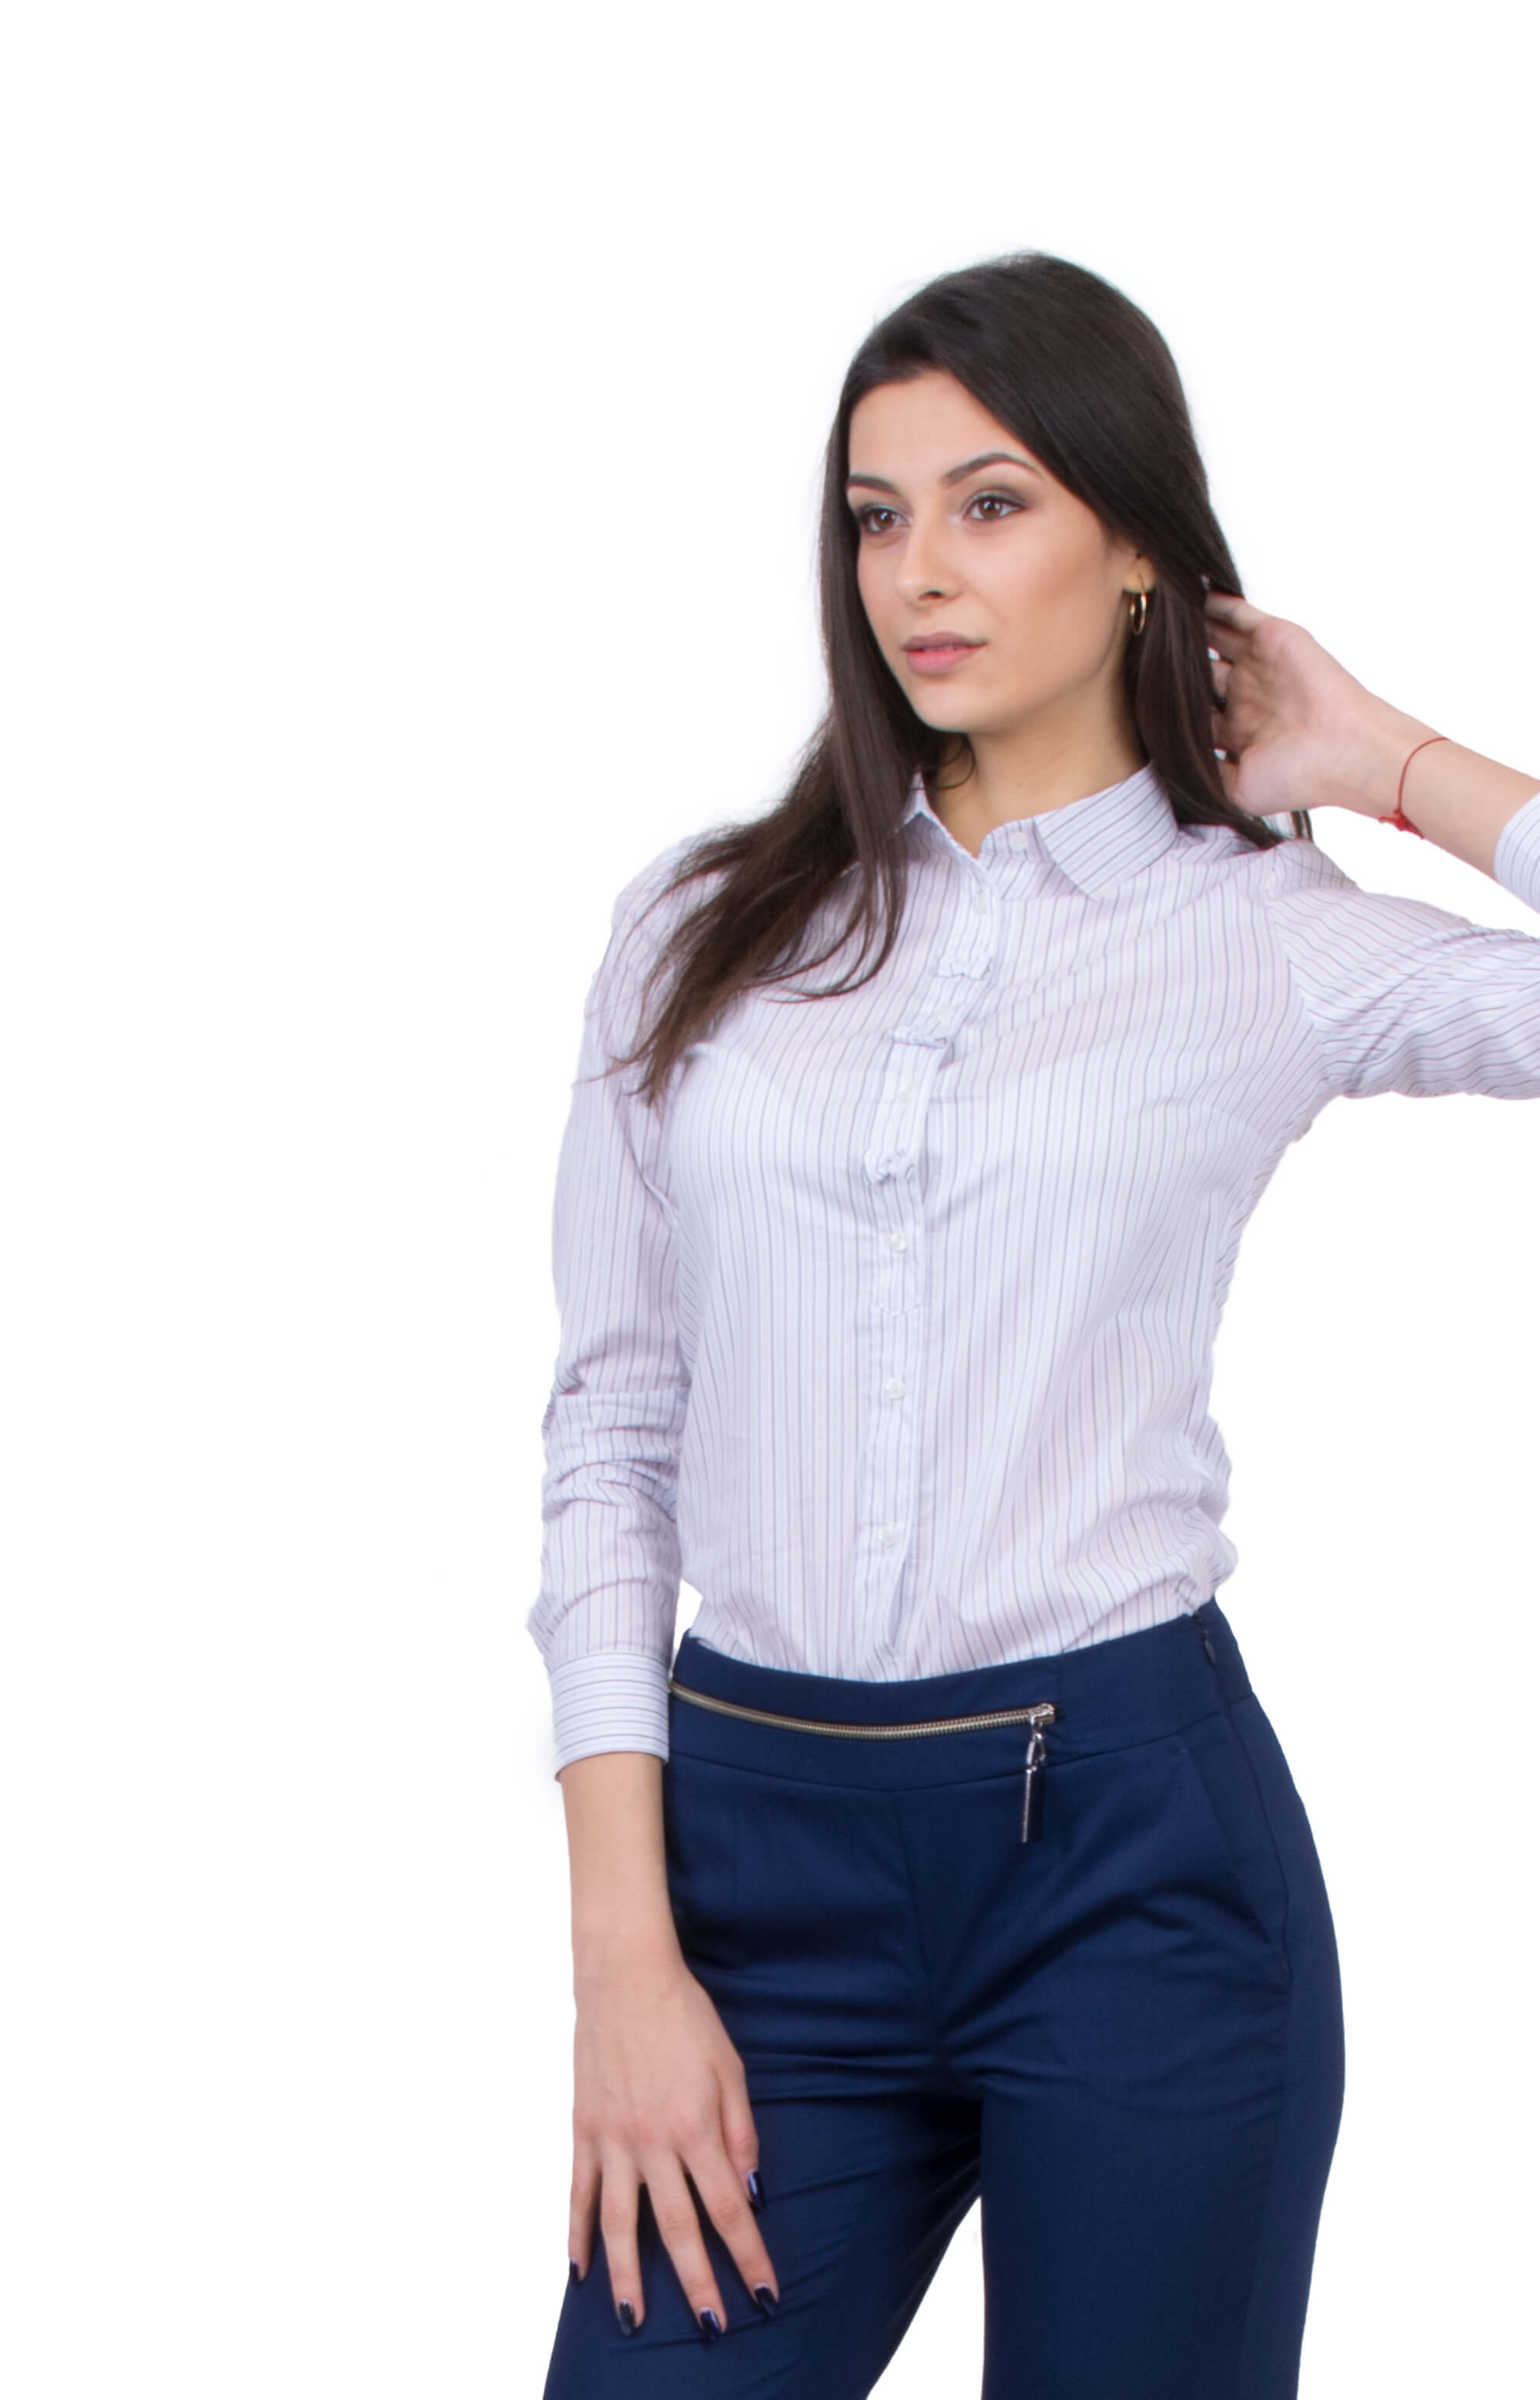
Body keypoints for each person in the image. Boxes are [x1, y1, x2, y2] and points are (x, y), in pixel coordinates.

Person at [528, 250, 1540, 2398]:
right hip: (752, 1860)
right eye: (876, 515)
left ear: (1138, 539)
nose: (920, 570)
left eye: (992, 504)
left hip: (1136, 1866)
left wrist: (1387, 758)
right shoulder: (706, 927)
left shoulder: (1273, 936)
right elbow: (613, 1432)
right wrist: (622, 1951)